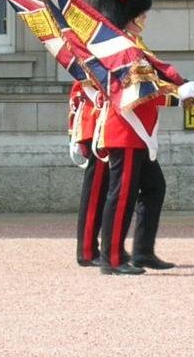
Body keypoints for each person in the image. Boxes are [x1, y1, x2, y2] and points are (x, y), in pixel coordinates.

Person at [84, 0, 194, 275]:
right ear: (130, 13)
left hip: (137, 133)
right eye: (140, 11)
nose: (144, 16)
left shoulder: (132, 45)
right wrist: (178, 97)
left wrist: (180, 88)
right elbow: (140, 92)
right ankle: (111, 258)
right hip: (126, 131)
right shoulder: (122, 48)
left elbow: (155, 77)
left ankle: (143, 251)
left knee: (153, 187)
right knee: (121, 194)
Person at [68, 80, 111, 267]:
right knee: (96, 192)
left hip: (110, 123)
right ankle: (87, 250)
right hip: (100, 125)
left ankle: (109, 248)